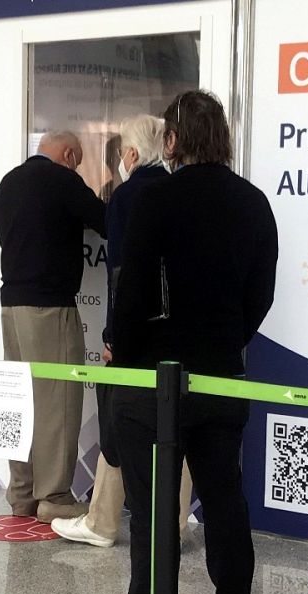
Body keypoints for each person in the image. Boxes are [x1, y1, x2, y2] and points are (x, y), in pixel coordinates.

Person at [87, 90, 278, 594]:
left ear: (171, 140)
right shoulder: (253, 202)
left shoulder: (156, 200)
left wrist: (121, 346)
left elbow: (134, 289)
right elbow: (260, 296)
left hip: (154, 380)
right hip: (222, 375)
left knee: (152, 509)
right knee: (224, 498)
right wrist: (225, 340)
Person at [51, 114, 193, 549]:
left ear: (131, 154)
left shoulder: (128, 198)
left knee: (117, 421)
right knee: (174, 426)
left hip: (135, 333)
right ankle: (175, 524)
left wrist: (113, 335)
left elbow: (122, 275)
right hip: (179, 334)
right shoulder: (181, 193)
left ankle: (102, 521)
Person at [0, 131, 107, 522]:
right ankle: (55, 497)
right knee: (56, 401)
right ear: (70, 153)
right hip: (50, 305)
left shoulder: (7, 182)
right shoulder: (63, 181)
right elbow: (108, 222)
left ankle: (21, 494)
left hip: (11, 304)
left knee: (16, 400)